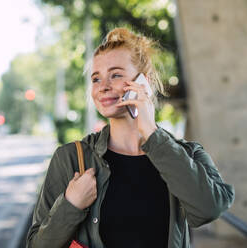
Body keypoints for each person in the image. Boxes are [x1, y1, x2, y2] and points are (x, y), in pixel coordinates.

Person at [26, 27, 234, 248]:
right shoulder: (70, 158)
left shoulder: (186, 155)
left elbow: (209, 209)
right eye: (96, 79)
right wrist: (71, 205)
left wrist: (152, 134)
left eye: (115, 75)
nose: (103, 87)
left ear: (145, 81)